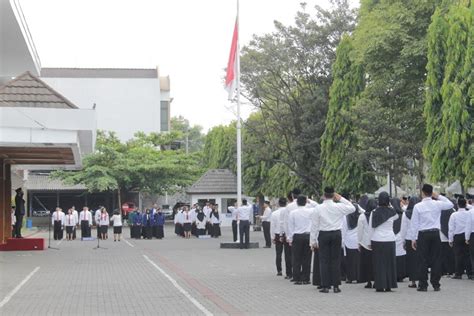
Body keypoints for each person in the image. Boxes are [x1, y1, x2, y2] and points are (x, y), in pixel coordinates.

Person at [409, 184, 454, 292]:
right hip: (435, 234)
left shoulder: (418, 206)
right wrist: (438, 196)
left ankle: (423, 284)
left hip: (423, 234)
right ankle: (436, 283)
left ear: (423, 193)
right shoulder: (437, 204)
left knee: (422, 260)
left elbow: (414, 224)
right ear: (431, 192)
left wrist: (413, 238)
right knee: (436, 259)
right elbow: (450, 204)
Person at [310, 187, 355, 293]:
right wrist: (341, 198)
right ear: (333, 195)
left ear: (324, 195)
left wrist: (313, 241)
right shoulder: (338, 206)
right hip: (336, 234)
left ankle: (325, 286)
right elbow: (352, 208)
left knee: (324, 260)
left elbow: (314, 225)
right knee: (335, 260)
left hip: (324, 234)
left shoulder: (318, 208)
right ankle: (336, 285)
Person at [368, 192, 398, 292]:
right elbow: (397, 215)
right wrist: (390, 205)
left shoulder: (374, 212)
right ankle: (389, 285)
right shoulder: (393, 212)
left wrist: (369, 241)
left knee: (379, 264)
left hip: (377, 239)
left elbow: (370, 228)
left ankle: (380, 285)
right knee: (390, 263)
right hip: (390, 239)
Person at [287, 195, 313, 285]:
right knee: (307, 258)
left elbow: (290, 227)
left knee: (296, 258)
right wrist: (310, 200)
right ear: (306, 202)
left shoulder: (293, 213)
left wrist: (290, 239)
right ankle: (306, 278)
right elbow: (318, 206)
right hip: (308, 236)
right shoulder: (311, 211)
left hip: (297, 236)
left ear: (296, 202)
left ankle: (297, 278)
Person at [448, 197, 472, 279]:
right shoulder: (469, 213)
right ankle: (470, 273)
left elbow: (451, 228)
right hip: (466, 235)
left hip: (457, 236)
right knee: (468, 255)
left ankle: (458, 273)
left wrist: (450, 240)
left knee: (458, 255)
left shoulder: (453, 215)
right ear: (466, 204)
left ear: (457, 205)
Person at [400, 196, 421, 288]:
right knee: (421, 260)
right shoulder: (421, 212)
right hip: (420, 238)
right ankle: (422, 280)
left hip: (409, 239)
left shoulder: (406, 214)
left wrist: (403, 240)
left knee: (411, 261)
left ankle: (413, 282)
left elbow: (403, 228)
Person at [341, 194, 362, 284]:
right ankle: (358, 277)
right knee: (358, 261)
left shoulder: (346, 218)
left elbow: (344, 230)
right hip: (358, 241)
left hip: (349, 242)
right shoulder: (361, 217)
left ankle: (350, 278)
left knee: (349, 261)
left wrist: (342, 242)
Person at [358, 198, 377, 289]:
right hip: (376, 242)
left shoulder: (362, 216)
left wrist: (359, 242)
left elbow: (360, 231)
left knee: (367, 264)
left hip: (365, 243)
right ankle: (376, 280)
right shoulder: (377, 215)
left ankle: (368, 281)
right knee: (376, 263)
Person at [391, 198, 407, 282]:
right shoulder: (402, 214)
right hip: (400, 236)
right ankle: (400, 275)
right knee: (400, 256)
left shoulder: (390, 214)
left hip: (392, 237)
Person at [271, 198, 286, 276]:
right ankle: (289, 271)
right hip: (286, 234)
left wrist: (272, 237)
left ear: (278, 204)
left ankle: (279, 270)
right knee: (288, 254)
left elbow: (272, 226)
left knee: (278, 253)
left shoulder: (274, 213)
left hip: (277, 234)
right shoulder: (288, 212)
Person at [440, 201, 455, 276]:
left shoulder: (440, 210)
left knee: (442, 255)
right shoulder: (453, 210)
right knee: (451, 254)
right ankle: (451, 270)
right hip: (450, 236)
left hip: (441, 236)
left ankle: (444, 271)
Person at [465, 201, 474, 278]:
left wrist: (467, 238)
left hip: (473, 235)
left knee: (473, 255)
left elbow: (468, 226)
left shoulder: (470, 212)